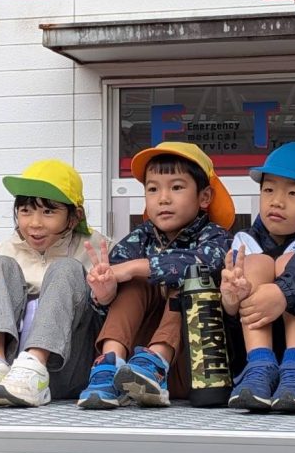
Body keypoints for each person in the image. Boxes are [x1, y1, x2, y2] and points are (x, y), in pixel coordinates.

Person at [77, 142, 234, 409]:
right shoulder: (139, 239)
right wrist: (104, 294)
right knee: (131, 284)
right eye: (153, 189)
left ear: (204, 197)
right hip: (130, 372)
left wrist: (134, 268)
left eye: (176, 187)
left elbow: (205, 262)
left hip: (194, 369)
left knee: (190, 277)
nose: (163, 198)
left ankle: (156, 362)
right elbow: (106, 302)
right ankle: (109, 366)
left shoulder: (217, 237)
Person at [0, 160, 109, 407]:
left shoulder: (96, 249)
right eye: (26, 210)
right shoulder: (8, 250)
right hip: (10, 378)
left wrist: (104, 290)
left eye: (48, 212)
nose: (35, 223)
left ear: (74, 216)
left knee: (66, 268)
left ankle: (36, 366)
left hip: (67, 368)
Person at [221, 142, 295, 413]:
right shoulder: (244, 242)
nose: (277, 201)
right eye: (269, 189)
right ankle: (259, 365)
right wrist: (230, 300)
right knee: (254, 263)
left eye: (293, 193)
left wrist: (282, 293)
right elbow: (228, 318)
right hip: (249, 373)